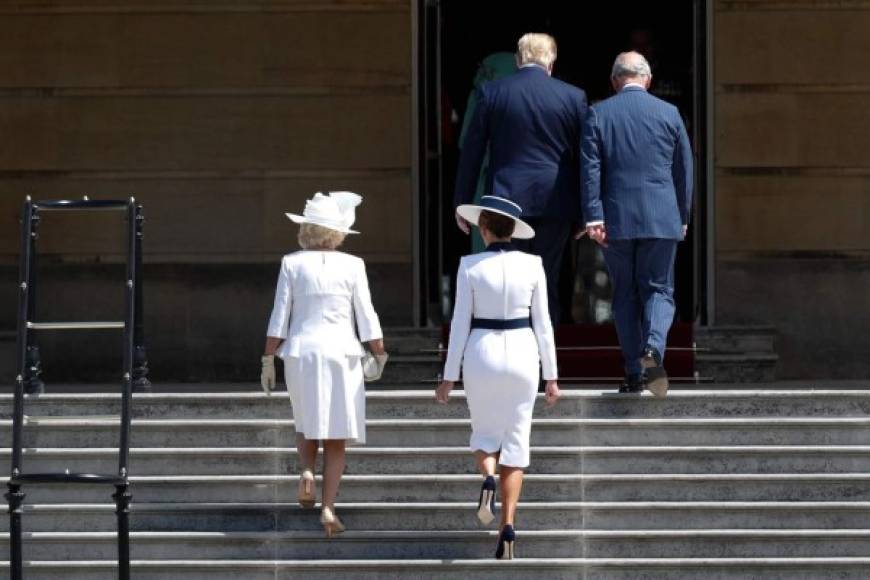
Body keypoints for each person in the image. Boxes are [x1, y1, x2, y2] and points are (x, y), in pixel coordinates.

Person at [436, 195, 560, 560]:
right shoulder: (534, 264)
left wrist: (448, 375)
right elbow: (544, 323)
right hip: (523, 352)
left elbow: (459, 323)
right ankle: (507, 523)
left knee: (485, 433)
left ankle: (488, 475)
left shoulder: (469, 265)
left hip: (481, 351)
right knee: (517, 443)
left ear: (484, 229)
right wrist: (552, 375)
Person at [260, 191, 388, 537]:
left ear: (307, 230)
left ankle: (305, 470)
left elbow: (279, 316)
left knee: (305, 421)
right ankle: (328, 508)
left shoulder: (291, 263)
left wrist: (267, 357)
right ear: (337, 233)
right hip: (342, 354)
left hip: (301, 352)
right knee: (337, 437)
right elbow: (366, 314)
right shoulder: (353, 265)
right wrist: (379, 351)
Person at [454, 33, 588, 326]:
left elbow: (472, 152)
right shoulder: (573, 96)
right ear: (551, 62)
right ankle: (545, 363)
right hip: (556, 205)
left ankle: (512, 355)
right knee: (546, 281)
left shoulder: (493, 92)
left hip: (505, 204)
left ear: (518, 60)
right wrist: (585, 212)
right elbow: (584, 160)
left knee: (508, 280)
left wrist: (462, 201)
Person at [581, 51, 693, 397]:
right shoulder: (670, 113)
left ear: (615, 81)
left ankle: (633, 371)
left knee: (625, 295)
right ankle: (653, 349)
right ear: (647, 79)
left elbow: (590, 170)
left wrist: (594, 216)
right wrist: (682, 216)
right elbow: (684, 171)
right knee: (659, 290)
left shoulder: (598, 114)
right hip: (662, 218)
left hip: (616, 221)